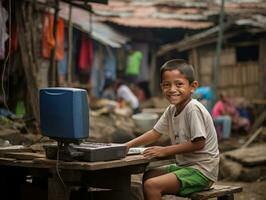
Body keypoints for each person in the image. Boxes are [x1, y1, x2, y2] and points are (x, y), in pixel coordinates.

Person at [125, 59, 219, 199]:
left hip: (202, 171)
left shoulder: (192, 108)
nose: (172, 90)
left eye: (179, 84)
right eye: (166, 85)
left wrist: (164, 150)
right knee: (149, 175)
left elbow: (199, 143)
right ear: (161, 86)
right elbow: (155, 133)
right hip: (185, 166)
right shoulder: (171, 109)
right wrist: (127, 145)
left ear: (193, 87)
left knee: (152, 185)